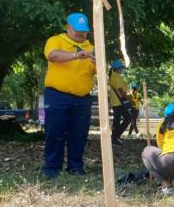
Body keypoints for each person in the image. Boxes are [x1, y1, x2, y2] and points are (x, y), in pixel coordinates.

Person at [41, 12, 96, 177]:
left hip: (82, 98)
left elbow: (99, 72)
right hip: (57, 96)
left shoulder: (92, 48)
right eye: (77, 30)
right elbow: (52, 55)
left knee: (79, 134)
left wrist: (98, 62)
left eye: (84, 31)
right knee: (54, 132)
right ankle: (51, 169)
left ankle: (76, 167)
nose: (81, 34)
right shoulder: (56, 40)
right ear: (67, 28)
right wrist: (75, 55)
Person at [108, 60, 132, 145]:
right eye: (121, 68)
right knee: (127, 118)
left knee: (119, 119)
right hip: (119, 102)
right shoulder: (116, 77)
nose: (122, 69)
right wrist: (128, 98)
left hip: (117, 102)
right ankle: (115, 137)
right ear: (117, 68)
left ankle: (115, 137)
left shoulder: (115, 76)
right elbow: (120, 90)